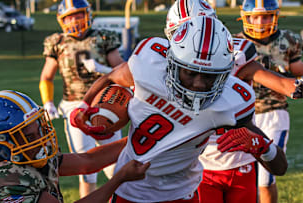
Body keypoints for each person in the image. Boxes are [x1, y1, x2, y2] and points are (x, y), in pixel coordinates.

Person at [71, 16, 287, 202]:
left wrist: (263, 147)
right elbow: (110, 76)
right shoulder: (149, 66)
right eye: (191, 73)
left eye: (210, 76)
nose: (199, 84)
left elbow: (280, 167)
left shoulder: (231, 101)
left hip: (181, 194)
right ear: (172, 63)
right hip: (131, 189)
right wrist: (84, 105)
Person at [163, 0, 302, 202]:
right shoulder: (160, 65)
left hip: (240, 162)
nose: (198, 41)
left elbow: (286, 86)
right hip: (199, 165)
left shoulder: (237, 57)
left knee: (268, 178)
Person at [0, 90, 150, 202]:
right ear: (1, 143)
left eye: (39, 128)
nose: (40, 138)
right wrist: (117, 180)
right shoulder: (1, 182)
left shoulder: (27, 156)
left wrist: (145, 137)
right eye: (29, 136)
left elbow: (87, 161)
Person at [39, 0, 125, 198]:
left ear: (87, 14)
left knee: (115, 165)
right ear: (61, 20)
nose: (74, 20)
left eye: (78, 15)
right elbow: (46, 77)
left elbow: (123, 71)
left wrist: (103, 70)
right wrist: (48, 102)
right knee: (86, 169)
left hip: (104, 105)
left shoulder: (103, 37)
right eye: (69, 17)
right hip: (74, 107)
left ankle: (121, 199)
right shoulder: (58, 42)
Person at [235, 0, 303, 202]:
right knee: (243, 173)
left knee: (265, 178)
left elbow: (297, 71)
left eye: (265, 16)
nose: (260, 21)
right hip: (241, 115)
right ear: (245, 18)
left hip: (274, 112)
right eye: (255, 17)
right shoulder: (235, 42)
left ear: (275, 17)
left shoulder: (288, 39)